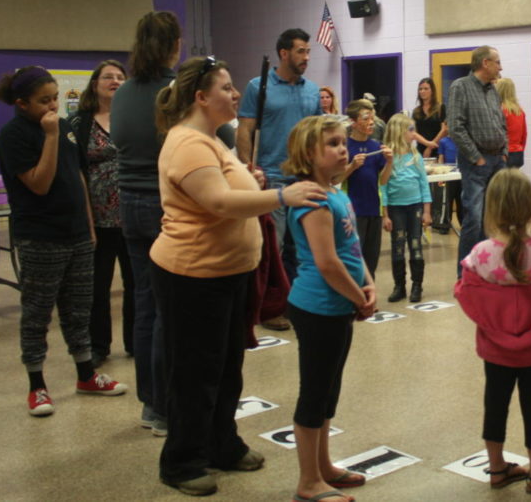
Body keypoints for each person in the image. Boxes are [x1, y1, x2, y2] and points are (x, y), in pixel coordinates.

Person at [149, 56, 324, 495]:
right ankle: (182, 461)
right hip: (194, 275)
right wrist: (281, 195)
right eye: (226, 88)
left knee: (226, 366)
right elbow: (221, 203)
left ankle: (222, 444)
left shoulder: (214, 139)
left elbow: (231, 189)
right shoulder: (188, 143)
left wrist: (254, 181)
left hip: (227, 272)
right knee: (195, 372)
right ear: (201, 97)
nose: (234, 95)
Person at [113, 11, 235, 436]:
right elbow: (222, 137)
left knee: (145, 305)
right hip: (168, 204)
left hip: (128, 204)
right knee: (171, 312)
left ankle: (151, 404)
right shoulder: (174, 91)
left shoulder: (124, 91)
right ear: (173, 46)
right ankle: (167, 406)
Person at [0, 66, 128, 417]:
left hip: (78, 233)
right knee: (38, 313)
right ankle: (37, 385)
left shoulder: (65, 127)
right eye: (44, 100)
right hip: (41, 237)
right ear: (22, 104)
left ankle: (86, 374)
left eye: (55, 97)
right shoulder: (14, 136)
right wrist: (50, 136)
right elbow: (39, 183)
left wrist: (89, 224)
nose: (53, 105)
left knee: (78, 308)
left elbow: (77, 177)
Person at [455, 169, 531, 495]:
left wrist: (493, 320)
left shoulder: (480, 254)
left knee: (494, 405)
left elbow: (464, 293)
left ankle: (496, 468)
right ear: (530, 208)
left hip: (495, 350)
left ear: (492, 208)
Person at [283, 115, 377, 502]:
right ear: (309, 153)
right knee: (315, 392)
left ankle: (323, 466)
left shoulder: (335, 190)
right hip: (318, 306)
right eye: (333, 144)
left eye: (343, 142)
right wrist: (358, 296)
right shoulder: (314, 198)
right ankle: (308, 482)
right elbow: (326, 262)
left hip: (340, 304)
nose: (343, 149)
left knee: (329, 392)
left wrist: (368, 282)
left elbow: (351, 251)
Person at [236, 28, 320, 330]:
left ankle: (296, 304)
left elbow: (317, 133)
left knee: (302, 248)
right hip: (271, 178)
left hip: (305, 178)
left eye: (308, 51)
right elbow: (244, 130)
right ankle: (268, 309)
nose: (306, 57)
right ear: (284, 53)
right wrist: (248, 167)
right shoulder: (257, 87)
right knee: (273, 249)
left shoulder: (312, 90)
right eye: (301, 51)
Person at [69, 60, 134, 368]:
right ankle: (98, 346)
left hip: (134, 215)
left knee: (137, 284)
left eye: (121, 77)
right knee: (98, 286)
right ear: (94, 84)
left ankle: (136, 341)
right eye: (108, 76)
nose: (115, 81)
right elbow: (72, 171)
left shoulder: (134, 118)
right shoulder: (78, 123)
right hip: (96, 219)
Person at [447, 46, 508, 275]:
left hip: (497, 160)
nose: (500, 67)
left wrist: (504, 151)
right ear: (485, 63)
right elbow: (455, 127)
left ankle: (487, 268)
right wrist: (476, 157)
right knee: (473, 217)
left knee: (492, 218)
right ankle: (465, 274)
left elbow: (501, 122)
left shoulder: (493, 90)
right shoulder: (460, 87)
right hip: (476, 162)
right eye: (497, 62)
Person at [381, 113, 432, 303]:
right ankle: (399, 286)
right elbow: (383, 186)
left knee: (416, 245)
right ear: (399, 131)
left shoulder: (415, 156)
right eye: (411, 130)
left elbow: (424, 183)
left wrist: (427, 211)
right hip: (396, 209)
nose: (414, 134)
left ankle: (417, 285)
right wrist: (385, 214)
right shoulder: (388, 156)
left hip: (415, 206)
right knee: (398, 246)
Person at [339, 99, 393, 279]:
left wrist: (390, 162)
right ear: (353, 122)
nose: (371, 122)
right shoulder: (344, 146)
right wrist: (352, 166)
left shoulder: (376, 147)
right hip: (352, 211)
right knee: (354, 257)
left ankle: (368, 295)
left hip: (373, 210)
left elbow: (383, 180)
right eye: (365, 118)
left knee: (371, 258)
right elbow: (334, 180)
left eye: (372, 118)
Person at [412, 77, 447, 157]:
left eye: (426, 89)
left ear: (432, 91)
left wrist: (430, 147)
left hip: (438, 148)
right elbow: (414, 132)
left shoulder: (440, 108)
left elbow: (444, 130)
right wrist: (427, 143)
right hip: (421, 149)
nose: (422, 91)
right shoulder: (416, 111)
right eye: (420, 89)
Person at [496, 78, 527, 168]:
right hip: (518, 153)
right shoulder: (519, 111)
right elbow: (524, 135)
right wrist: (520, 149)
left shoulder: (499, 110)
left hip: (503, 154)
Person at [436, 134, 462, 233]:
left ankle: (463, 223)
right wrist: (440, 175)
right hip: (448, 175)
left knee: (462, 200)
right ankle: (445, 224)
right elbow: (441, 158)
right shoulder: (443, 141)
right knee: (447, 200)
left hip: (461, 174)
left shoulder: (462, 140)